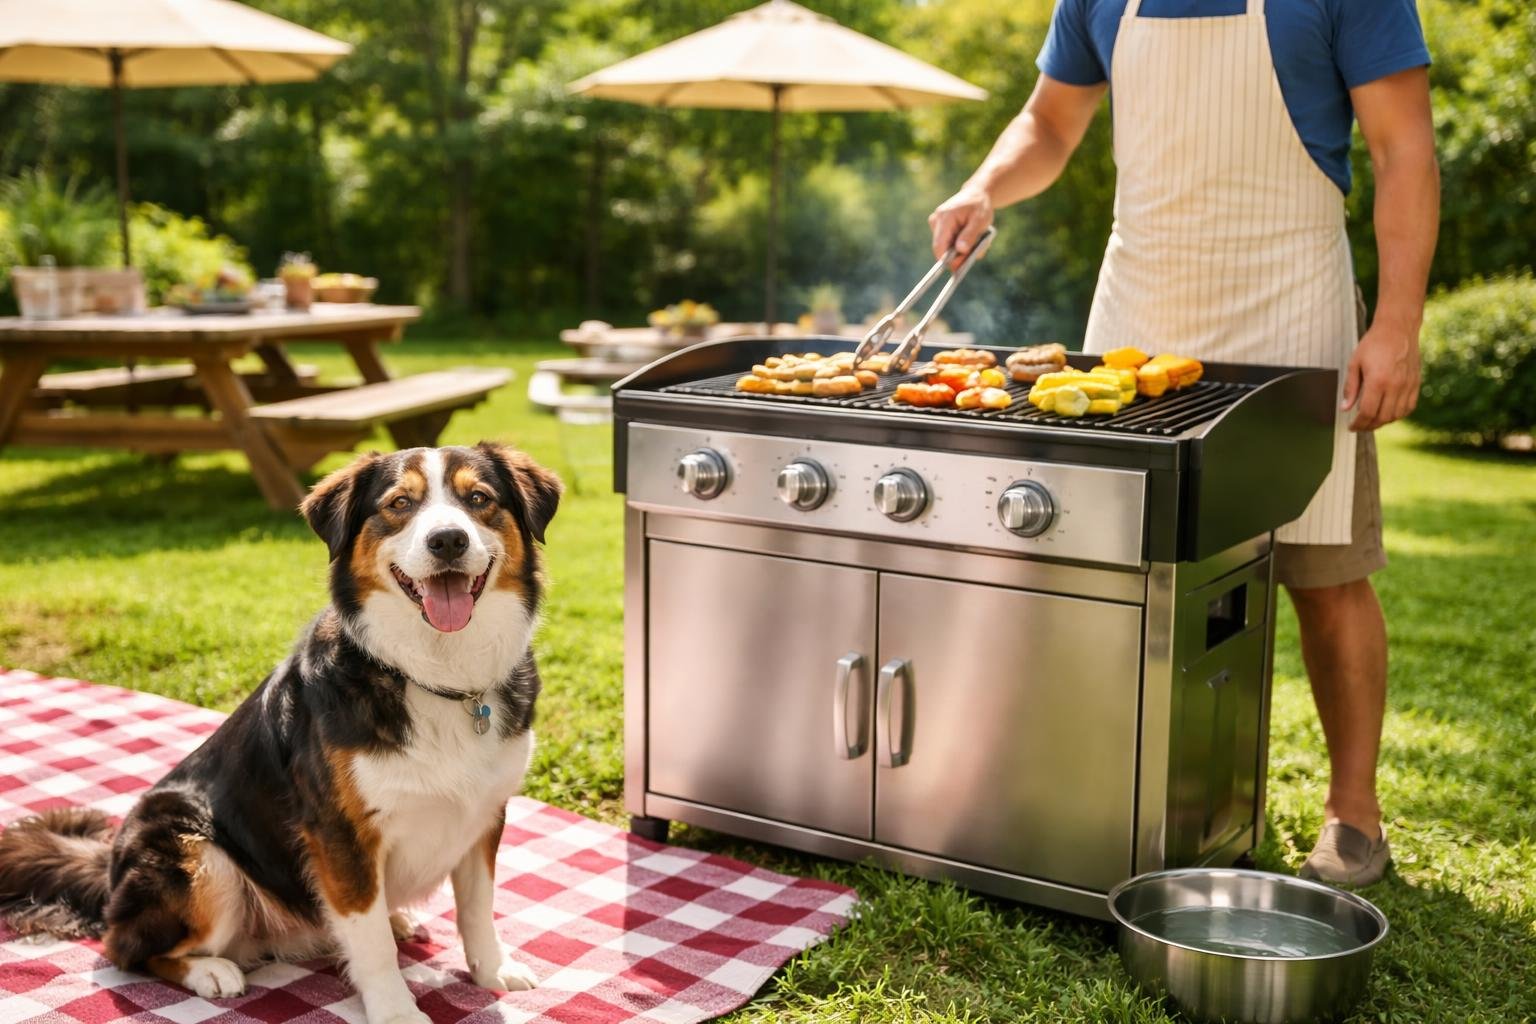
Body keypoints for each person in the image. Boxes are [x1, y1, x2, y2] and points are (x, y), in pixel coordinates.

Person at [930, 0, 1438, 885]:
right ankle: (1114, 789)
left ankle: (1355, 816)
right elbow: (1050, 122)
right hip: (1140, 316)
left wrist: (1397, 323)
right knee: (1122, 572)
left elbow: (1404, 150)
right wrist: (984, 184)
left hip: (1294, 308)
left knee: (1325, 573)